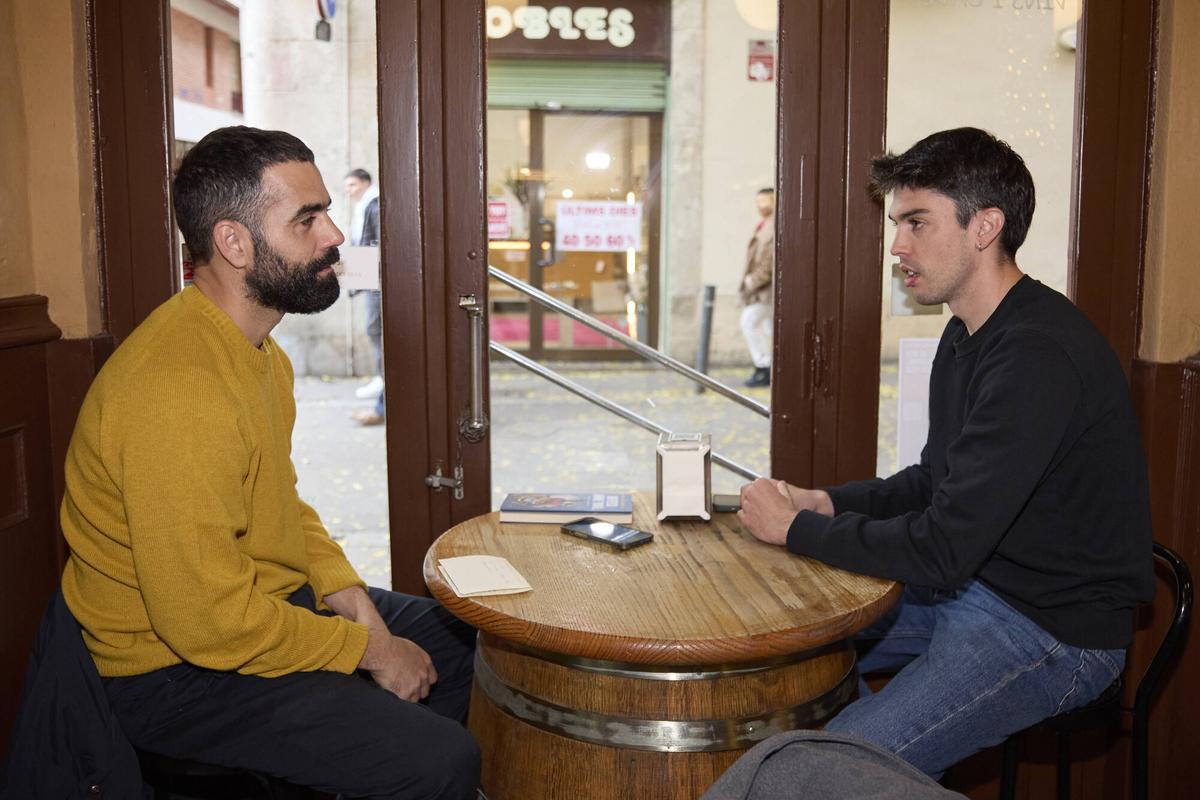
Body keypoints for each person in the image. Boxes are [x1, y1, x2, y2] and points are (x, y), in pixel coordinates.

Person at [58, 126, 480, 798]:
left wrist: (357, 608)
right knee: (439, 761)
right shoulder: (178, 389)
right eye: (307, 219)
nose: (335, 235)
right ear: (234, 243)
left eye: (326, 213)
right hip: (172, 673)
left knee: (462, 645)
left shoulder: (260, 355)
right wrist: (372, 651)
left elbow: (280, 506)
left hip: (247, 608)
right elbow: (208, 626)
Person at [737, 127, 1154, 778]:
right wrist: (826, 501)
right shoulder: (966, 333)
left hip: (1052, 634)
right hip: (975, 590)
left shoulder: (1037, 354)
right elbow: (936, 480)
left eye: (916, 223)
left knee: (816, 770)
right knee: (769, 661)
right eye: (897, 223)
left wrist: (797, 528)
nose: (897, 245)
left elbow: (942, 549)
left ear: (984, 226)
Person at [344, 167, 386, 426]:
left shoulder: (374, 205)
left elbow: (374, 245)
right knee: (374, 332)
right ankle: (381, 397)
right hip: (371, 280)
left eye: (352, 185)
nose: (349, 191)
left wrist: (354, 279)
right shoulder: (365, 207)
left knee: (376, 331)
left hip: (377, 282)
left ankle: (382, 398)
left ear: (365, 183)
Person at [739, 187, 775, 387]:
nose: (760, 206)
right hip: (762, 289)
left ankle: (764, 367)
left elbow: (768, 262)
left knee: (749, 321)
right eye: (758, 201)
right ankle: (769, 367)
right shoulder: (763, 225)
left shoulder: (774, 226)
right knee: (766, 328)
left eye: (765, 201)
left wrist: (753, 281)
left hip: (766, 290)